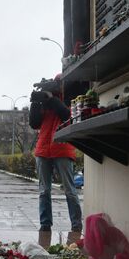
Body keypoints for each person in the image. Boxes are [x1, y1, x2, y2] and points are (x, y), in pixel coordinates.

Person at [29, 75, 82, 240]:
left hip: (63, 148)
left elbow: (67, 115)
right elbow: (34, 124)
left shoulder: (68, 98)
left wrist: (52, 99)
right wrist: (35, 104)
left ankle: (76, 224)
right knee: (44, 190)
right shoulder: (43, 101)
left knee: (69, 190)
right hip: (43, 149)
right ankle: (45, 223)